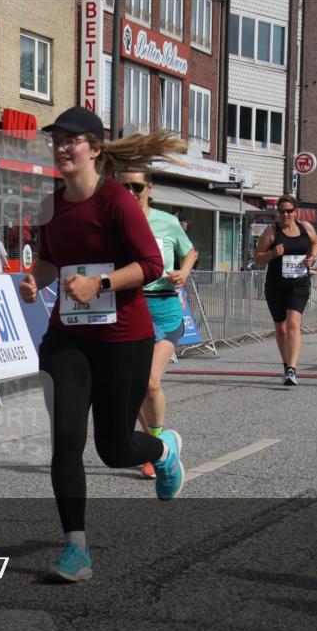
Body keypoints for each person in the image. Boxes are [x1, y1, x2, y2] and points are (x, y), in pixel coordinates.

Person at [18, 106, 187, 583]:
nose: (63, 147)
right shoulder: (52, 205)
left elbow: (151, 265)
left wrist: (102, 284)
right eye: (57, 140)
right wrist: (34, 281)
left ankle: (163, 450)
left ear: (94, 148)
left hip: (122, 339)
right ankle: (76, 549)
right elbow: (50, 261)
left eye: (72, 140)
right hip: (67, 339)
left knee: (114, 448)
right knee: (66, 441)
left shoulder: (117, 200)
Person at [119, 170, 197, 480]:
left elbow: (190, 251)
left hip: (164, 305)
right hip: (129, 305)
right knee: (131, 387)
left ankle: (160, 441)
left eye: (135, 186)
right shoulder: (115, 222)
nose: (129, 191)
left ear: (149, 188)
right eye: (123, 185)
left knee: (150, 382)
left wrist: (185, 272)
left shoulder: (167, 221)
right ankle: (155, 447)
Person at [252, 196, 317, 385]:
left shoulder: (306, 227)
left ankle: (292, 369)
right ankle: (286, 364)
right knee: (281, 329)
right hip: (276, 285)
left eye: (289, 211)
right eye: (282, 211)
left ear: (295, 211)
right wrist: (273, 253)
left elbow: (316, 243)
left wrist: (312, 257)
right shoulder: (272, 231)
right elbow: (257, 256)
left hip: (299, 284)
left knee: (293, 324)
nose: (286, 214)